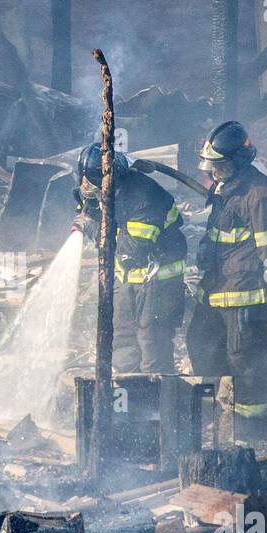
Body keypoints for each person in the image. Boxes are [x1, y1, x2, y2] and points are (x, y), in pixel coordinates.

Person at [186, 121, 267, 426]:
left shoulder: (259, 195)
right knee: (202, 347)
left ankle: (250, 428)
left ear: (238, 162)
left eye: (219, 166)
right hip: (215, 292)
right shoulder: (227, 188)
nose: (212, 173)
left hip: (246, 297)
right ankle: (207, 420)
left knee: (245, 364)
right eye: (212, 167)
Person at [72, 142, 187, 373]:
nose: (90, 194)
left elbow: (131, 249)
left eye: (96, 189)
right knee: (121, 338)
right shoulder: (106, 191)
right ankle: (129, 398)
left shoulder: (144, 197)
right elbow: (90, 208)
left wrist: (94, 228)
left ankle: (156, 402)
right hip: (126, 281)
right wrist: (90, 214)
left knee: (152, 341)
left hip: (157, 282)